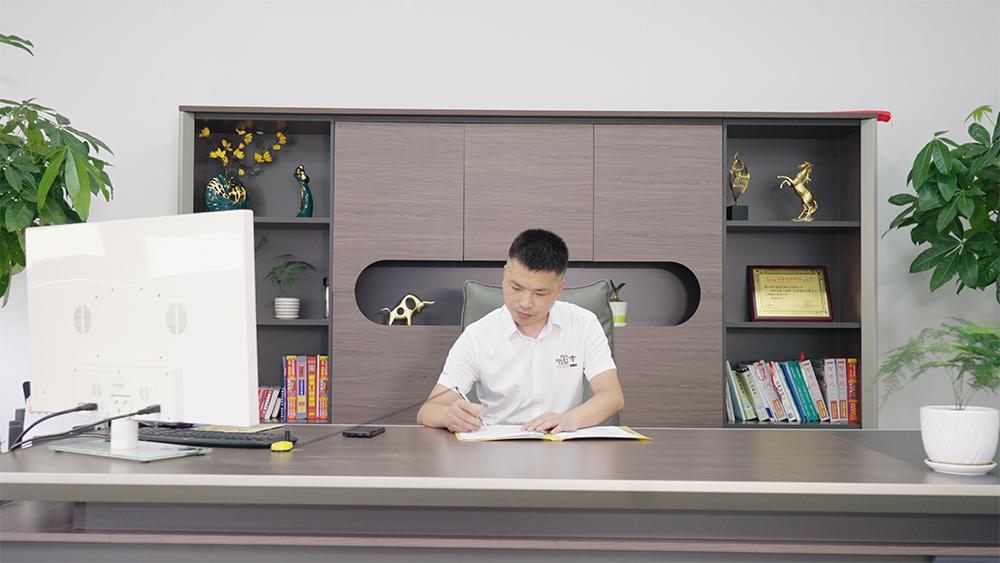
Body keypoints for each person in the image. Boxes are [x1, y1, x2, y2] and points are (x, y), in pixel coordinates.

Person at [416, 229, 624, 433]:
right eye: (516, 288)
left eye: (540, 293)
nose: (525, 303)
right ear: (505, 274)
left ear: (560, 289)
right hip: (497, 449)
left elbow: (612, 396)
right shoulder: (477, 336)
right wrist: (449, 416)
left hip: (559, 444)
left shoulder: (584, 323)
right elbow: (428, 410)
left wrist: (571, 419)